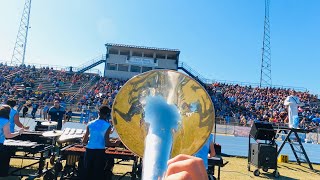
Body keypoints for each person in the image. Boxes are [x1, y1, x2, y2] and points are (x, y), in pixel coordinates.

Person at [82, 105, 115, 180]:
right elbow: (107, 143)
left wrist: (87, 143)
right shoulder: (107, 125)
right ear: (107, 115)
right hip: (99, 151)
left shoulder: (90, 123)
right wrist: (115, 143)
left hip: (89, 150)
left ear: (98, 113)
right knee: (97, 173)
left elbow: (84, 141)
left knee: (87, 172)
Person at [0, 105, 24, 177]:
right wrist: (19, 132)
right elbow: (8, 135)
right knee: (4, 158)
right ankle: (3, 174)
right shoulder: (5, 121)